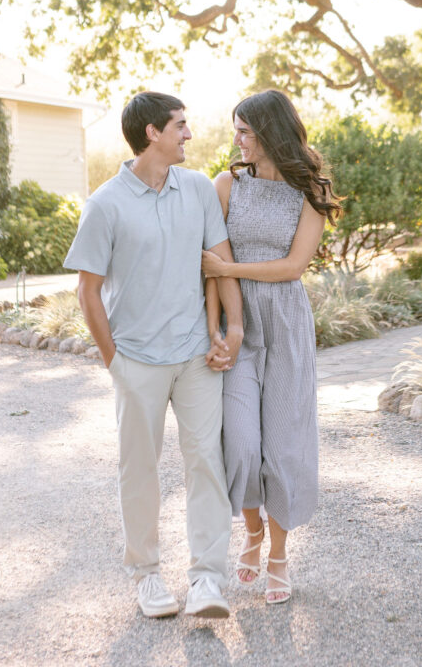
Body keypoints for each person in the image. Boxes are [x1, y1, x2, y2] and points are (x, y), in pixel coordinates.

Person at [64, 92, 244, 620]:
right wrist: (113, 361)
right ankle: (146, 577)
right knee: (138, 470)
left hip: (194, 356)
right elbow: (87, 291)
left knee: (207, 462)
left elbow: (221, 264)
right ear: (152, 133)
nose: (189, 134)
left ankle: (208, 579)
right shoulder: (105, 204)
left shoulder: (198, 189)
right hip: (137, 361)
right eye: (180, 125)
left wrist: (232, 333)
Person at [202, 89, 342, 605]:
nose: (235, 139)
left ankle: (279, 553)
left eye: (244, 130)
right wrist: (216, 327)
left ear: (269, 132)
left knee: (283, 444)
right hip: (239, 323)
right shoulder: (225, 185)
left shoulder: (308, 193)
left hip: (284, 322)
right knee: (239, 443)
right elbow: (209, 263)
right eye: (235, 129)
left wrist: (227, 268)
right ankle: (252, 530)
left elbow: (292, 268)